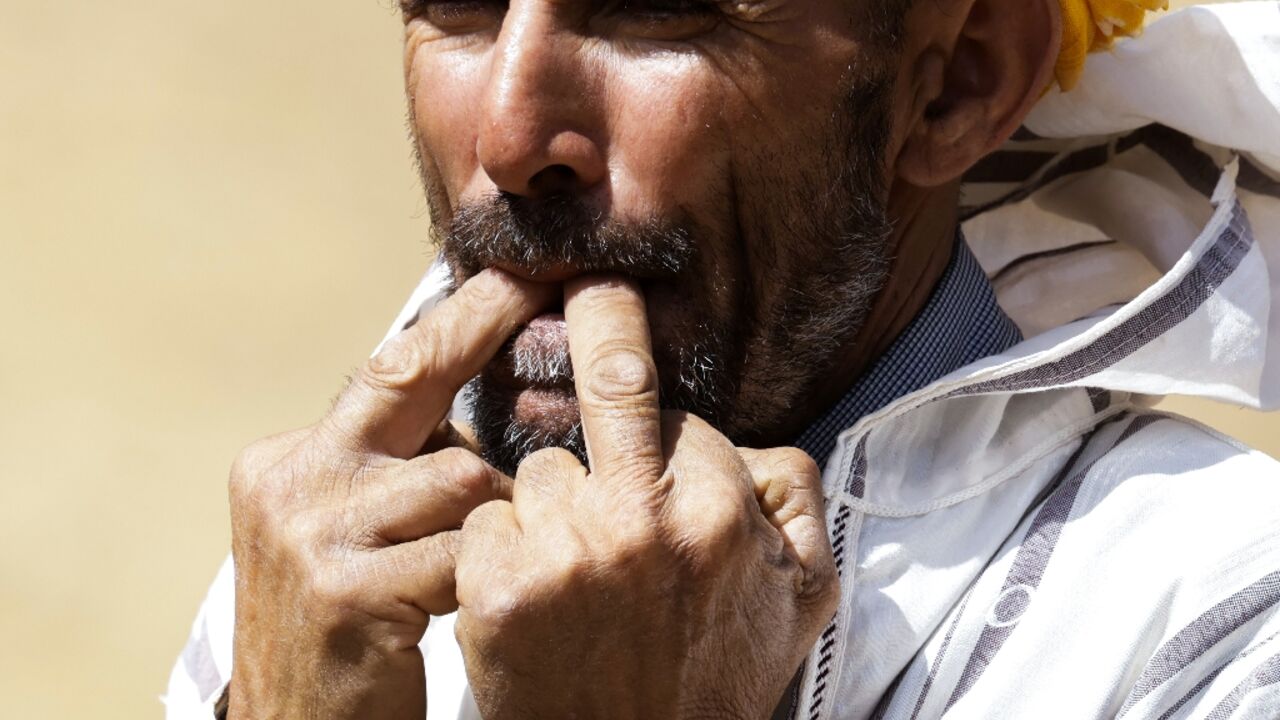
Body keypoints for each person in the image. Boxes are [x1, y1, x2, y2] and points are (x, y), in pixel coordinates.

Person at [166, 0, 1280, 717]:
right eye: (454, 7)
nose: (507, 140)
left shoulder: (1216, 629)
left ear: (955, 86)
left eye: (653, 14)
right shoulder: (326, 587)